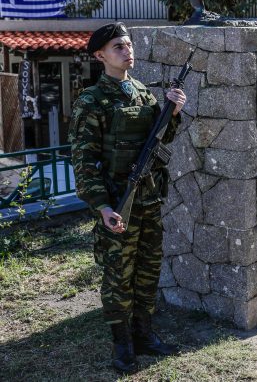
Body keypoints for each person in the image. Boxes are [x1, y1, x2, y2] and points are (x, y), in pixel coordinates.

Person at [69, 22, 185, 373]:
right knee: (118, 276)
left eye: (129, 44)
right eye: (118, 46)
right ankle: (123, 346)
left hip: (149, 201)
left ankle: (145, 335)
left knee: (148, 272)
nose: (127, 50)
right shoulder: (92, 101)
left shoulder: (144, 92)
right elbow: (84, 162)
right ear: (100, 55)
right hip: (119, 204)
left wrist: (173, 113)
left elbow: (161, 141)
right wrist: (102, 206)